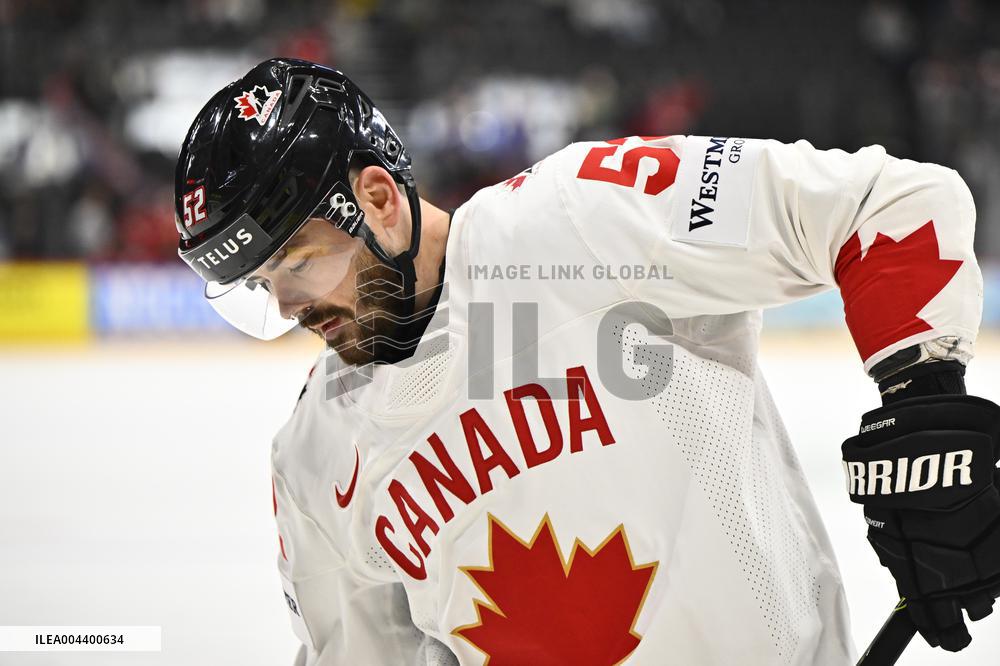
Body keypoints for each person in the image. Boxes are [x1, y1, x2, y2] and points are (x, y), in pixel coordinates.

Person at [174, 58, 1000, 665]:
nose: (285, 308)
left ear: (380, 201)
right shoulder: (312, 462)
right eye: (257, 287)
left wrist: (923, 404)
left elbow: (887, 203)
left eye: (294, 265)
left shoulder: (578, 222)